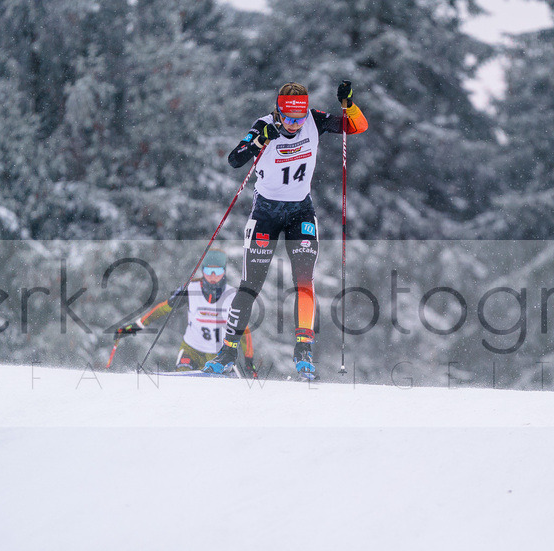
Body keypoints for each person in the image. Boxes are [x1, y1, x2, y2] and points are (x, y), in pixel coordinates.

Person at [202, 79, 368, 380]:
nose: (294, 125)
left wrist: (349, 105)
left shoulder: (314, 120)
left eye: (299, 119)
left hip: (300, 212)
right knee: (250, 285)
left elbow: (356, 127)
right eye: (289, 119)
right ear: (278, 112)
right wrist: (259, 140)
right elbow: (235, 159)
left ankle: (304, 353)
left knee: (304, 283)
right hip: (265, 214)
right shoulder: (264, 125)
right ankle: (227, 352)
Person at [114, 250, 255, 374]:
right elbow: (163, 309)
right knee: (183, 385)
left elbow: (243, 329)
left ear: (224, 272)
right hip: (191, 350)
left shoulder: (232, 295)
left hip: (219, 354)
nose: (213, 276)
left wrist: (249, 361)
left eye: (217, 271)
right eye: (208, 271)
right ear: (202, 271)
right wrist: (135, 326)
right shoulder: (190, 289)